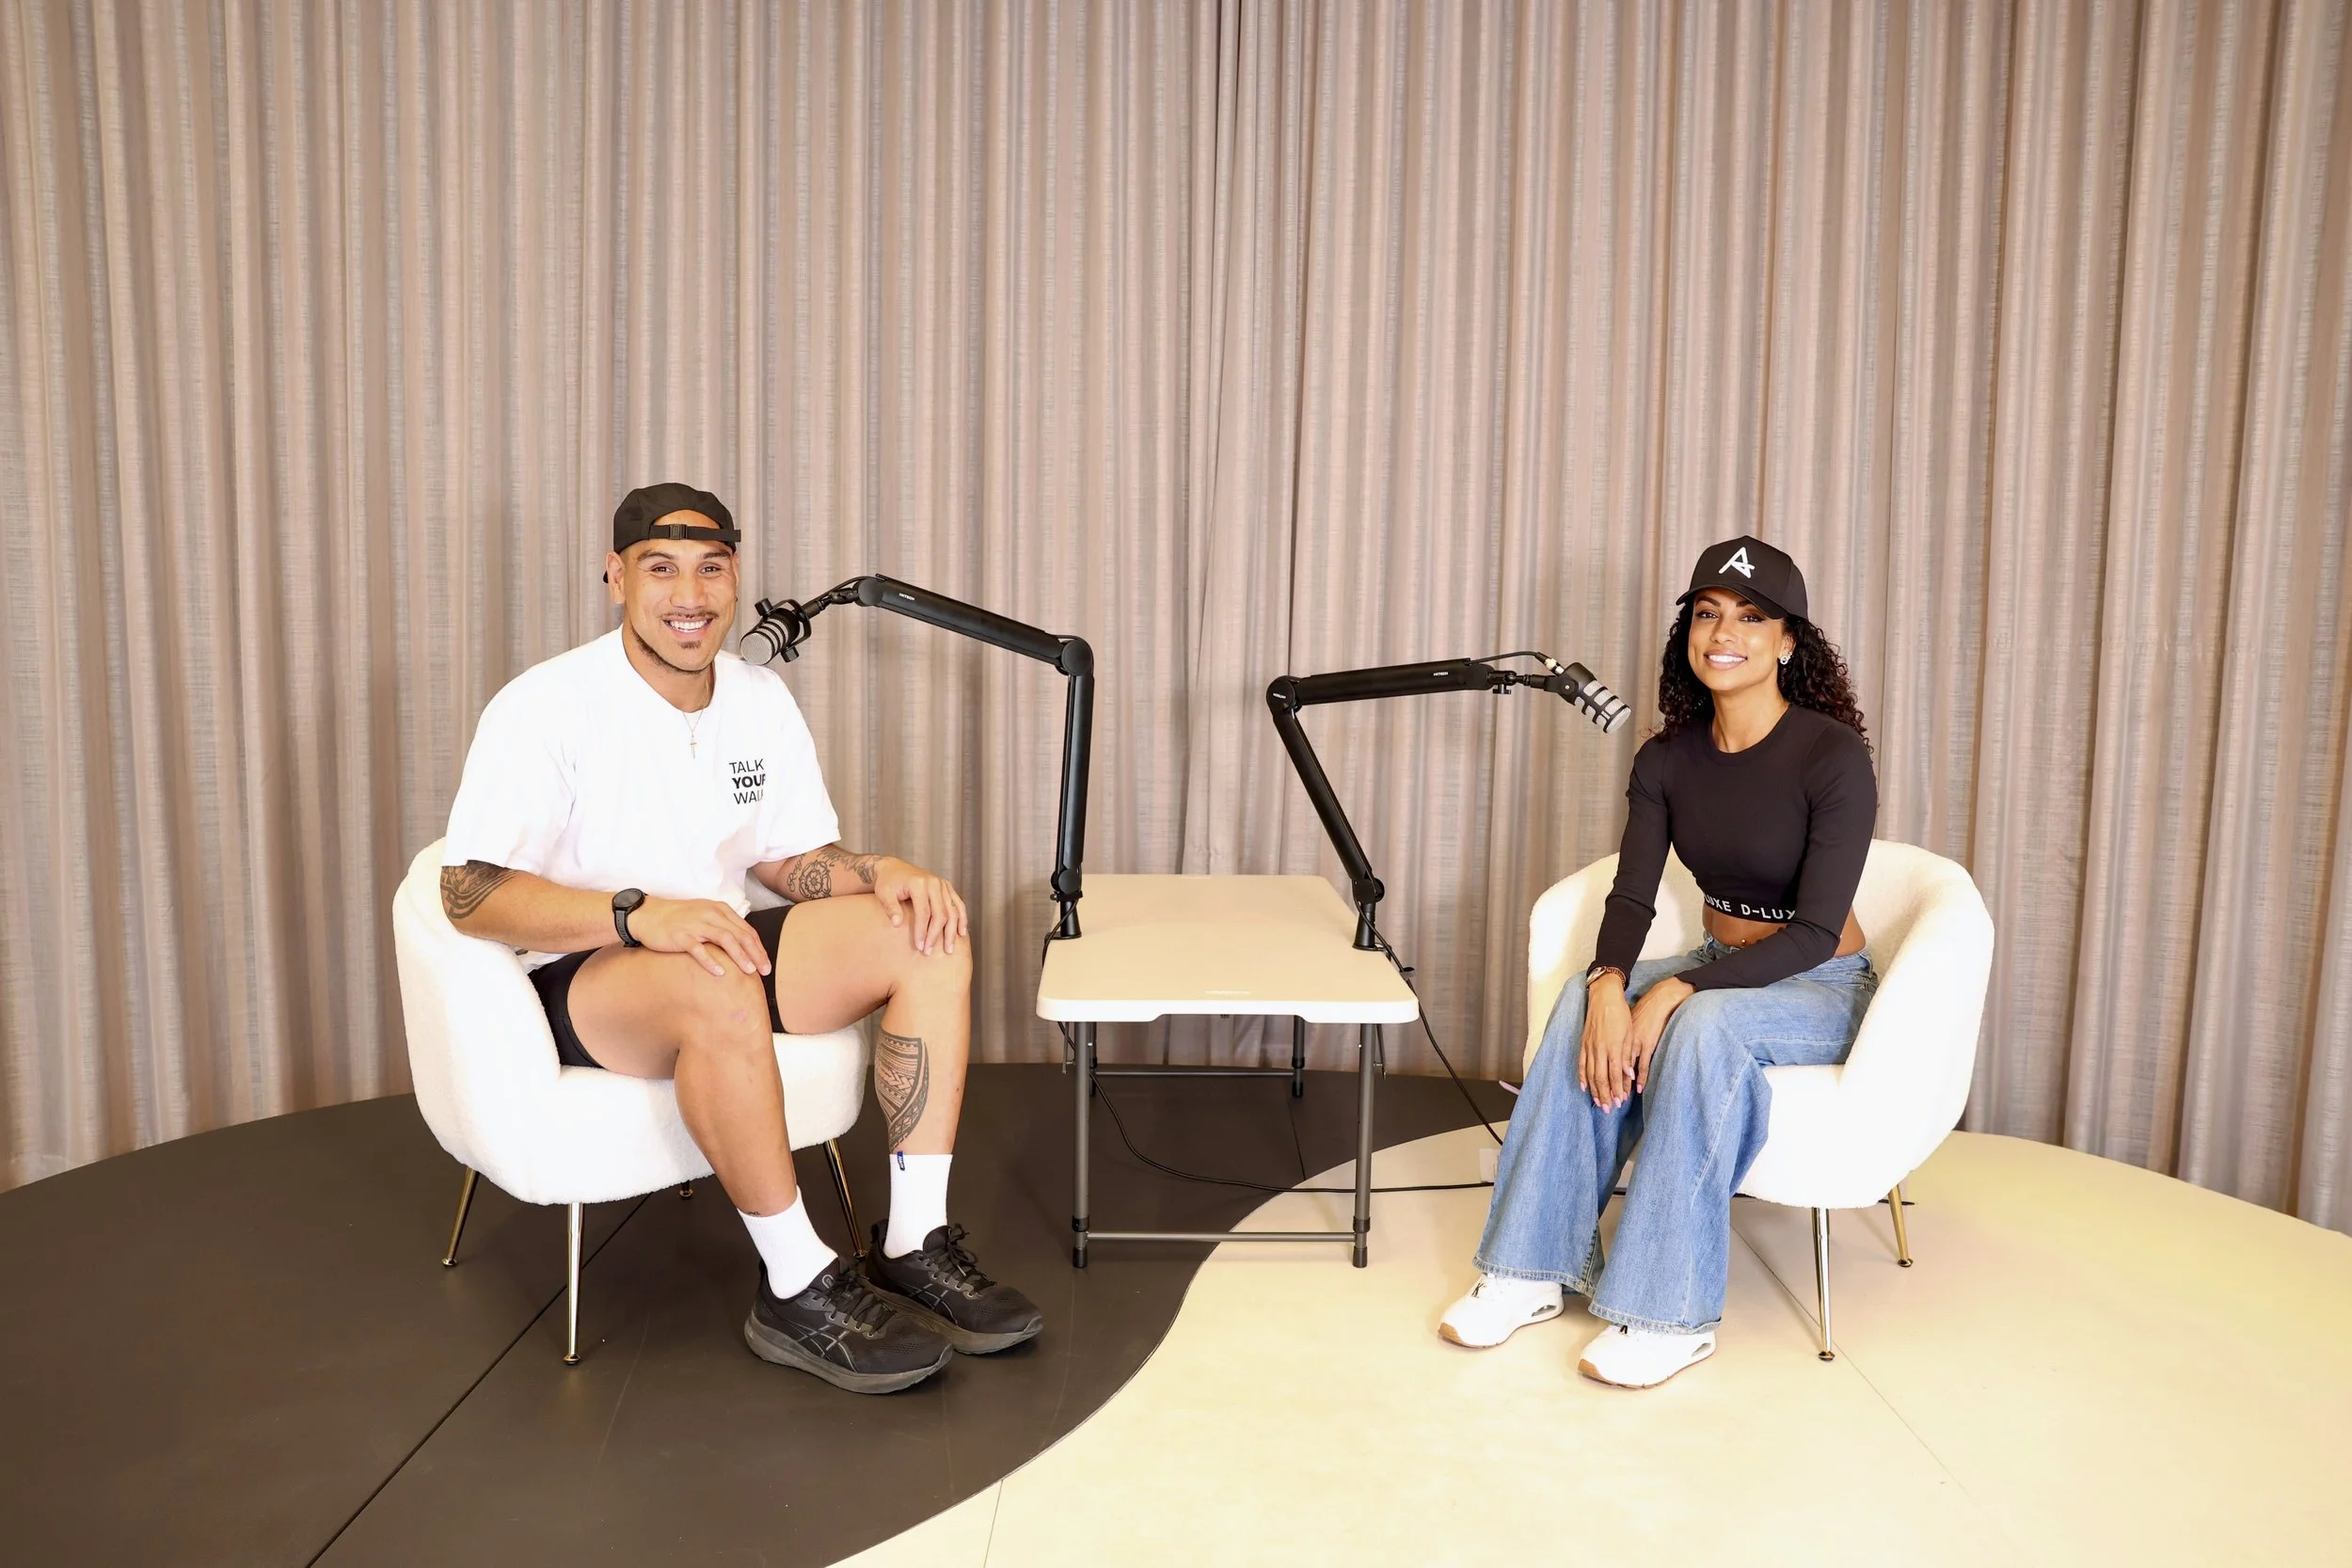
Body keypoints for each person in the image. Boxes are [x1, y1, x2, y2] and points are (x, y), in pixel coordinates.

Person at [437, 482, 1041, 1395]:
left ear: (734, 578)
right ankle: (794, 1284)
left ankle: (914, 1240)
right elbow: (466, 892)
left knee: (924, 932)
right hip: (589, 972)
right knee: (713, 975)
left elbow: (788, 858)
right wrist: (638, 912)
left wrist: (881, 871)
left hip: (724, 944)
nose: (690, 594)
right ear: (616, 578)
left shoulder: (758, 697)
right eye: (661, 568)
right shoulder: (547, 703)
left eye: (710, 569)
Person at [1439, 535, 1879, 1388]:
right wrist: (1610, 981)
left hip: (1820, 985)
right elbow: (1632, 895)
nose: (1726, 632)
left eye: (1752, 618)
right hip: (1723, 963)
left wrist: (1676, 986)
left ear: (1789, 641)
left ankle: (1667, 1313)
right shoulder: (1667, 758)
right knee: (1582, 999)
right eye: (1708, 614)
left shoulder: (1831, 755)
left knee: (1703, 1022)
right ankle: (1529, 1270)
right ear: (1688, 632)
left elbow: (1815, 932)